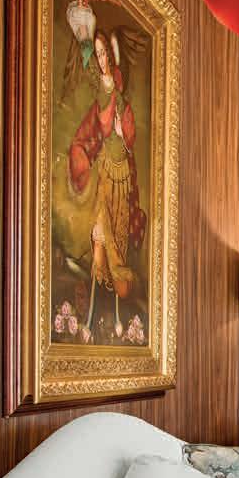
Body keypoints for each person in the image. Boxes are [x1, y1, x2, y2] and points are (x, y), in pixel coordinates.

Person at [67, 31, 146, 338]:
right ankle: (90, 320)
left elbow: (129, 137)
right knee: (99, 238)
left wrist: (122, 134)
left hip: (121, 177)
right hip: (103, 173)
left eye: (104, 53)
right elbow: (93, 127)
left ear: (111, 57)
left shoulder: (120, 95)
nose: (100, 59)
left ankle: (114, 317)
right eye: (97, 53)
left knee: (117, 248)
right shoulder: (99, 91)